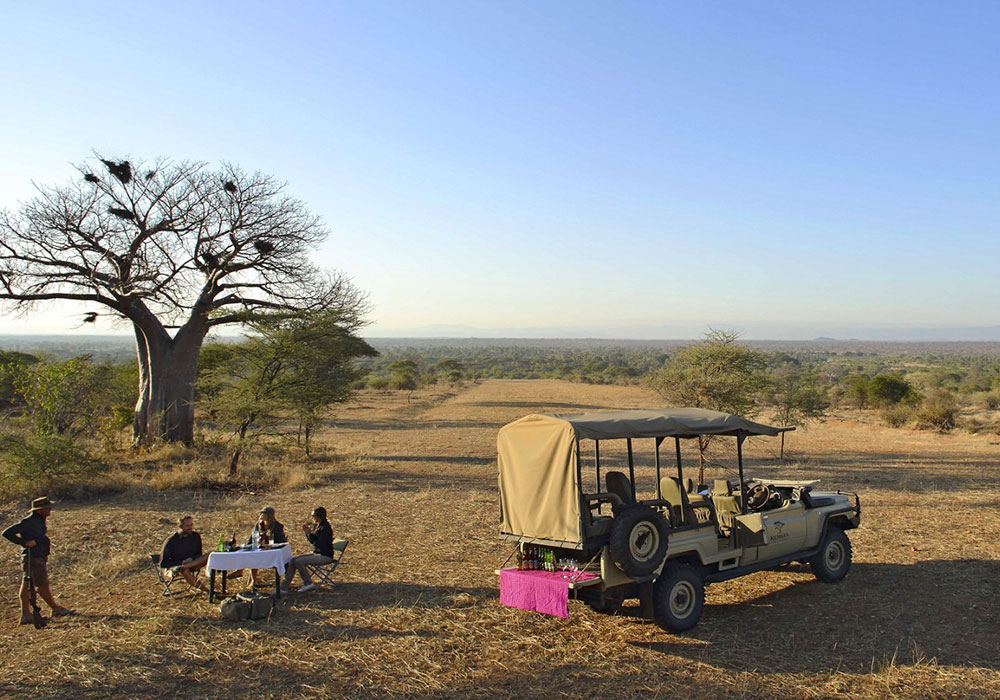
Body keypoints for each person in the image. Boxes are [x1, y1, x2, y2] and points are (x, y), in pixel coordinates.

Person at [2, 496, 74, 624]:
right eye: (47, 508)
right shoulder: (29, 522)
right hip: (33, 557)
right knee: (40, 585)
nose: (50, 510)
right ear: (39, 510)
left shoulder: (39, 520)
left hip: (37, 556)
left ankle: (27, 614)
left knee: (30, 584)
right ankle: (52, 609)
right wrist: (24, 542)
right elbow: (6, 533)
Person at [282, 507, 334, 593]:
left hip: (325, 556)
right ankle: (284, 587)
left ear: (319, 516)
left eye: (313, 516)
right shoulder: (319, 526)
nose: (312, 518)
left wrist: (310, 534)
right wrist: (308, 534)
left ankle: (308, 583)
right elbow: (314, 541)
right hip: (318, 553)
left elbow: (319, 544)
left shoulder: (325, 528)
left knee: (299, 561)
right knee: (293, 560)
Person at [159, 516, 209, 592]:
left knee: (210, 555)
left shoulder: (195, 536)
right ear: (180, 527)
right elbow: (163, 563)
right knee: (184, 570)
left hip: (193, 562)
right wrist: (181, 562)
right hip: (176, 566)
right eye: (187, 526)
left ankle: (185, 566)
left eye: (191, 525)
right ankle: (208, 591)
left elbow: (199, 554)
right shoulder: (172, 540)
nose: (190, 528)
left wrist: (192, 559)